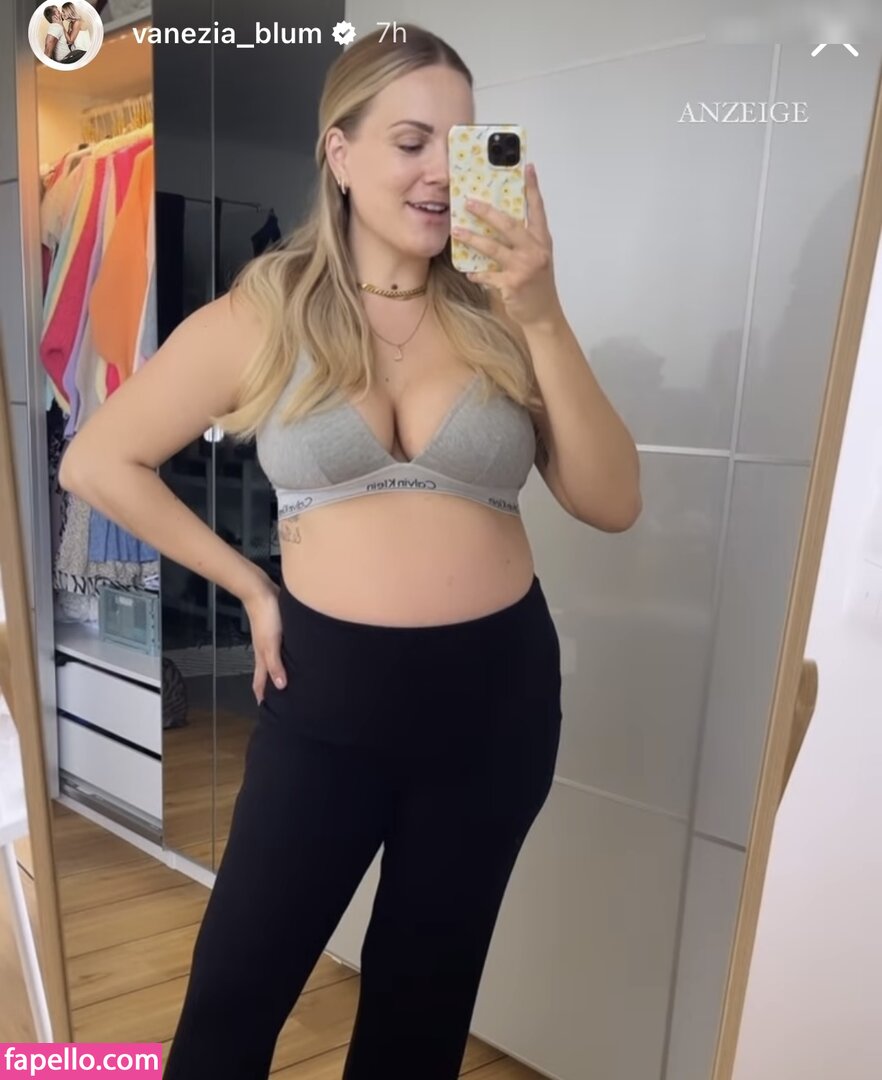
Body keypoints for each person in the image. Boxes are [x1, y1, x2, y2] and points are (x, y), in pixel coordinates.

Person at [59, 23, 641, 1080]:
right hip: (327, 695)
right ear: (340, 151)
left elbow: (613, 501)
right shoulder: (266, 311)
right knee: (233, 1001)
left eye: (460, 145)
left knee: (422, 1010)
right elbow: (98, 462)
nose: (439, 173)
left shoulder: (506, 315)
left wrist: (545, 314)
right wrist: (249, 585)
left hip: (496, 703)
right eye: (411, 142)